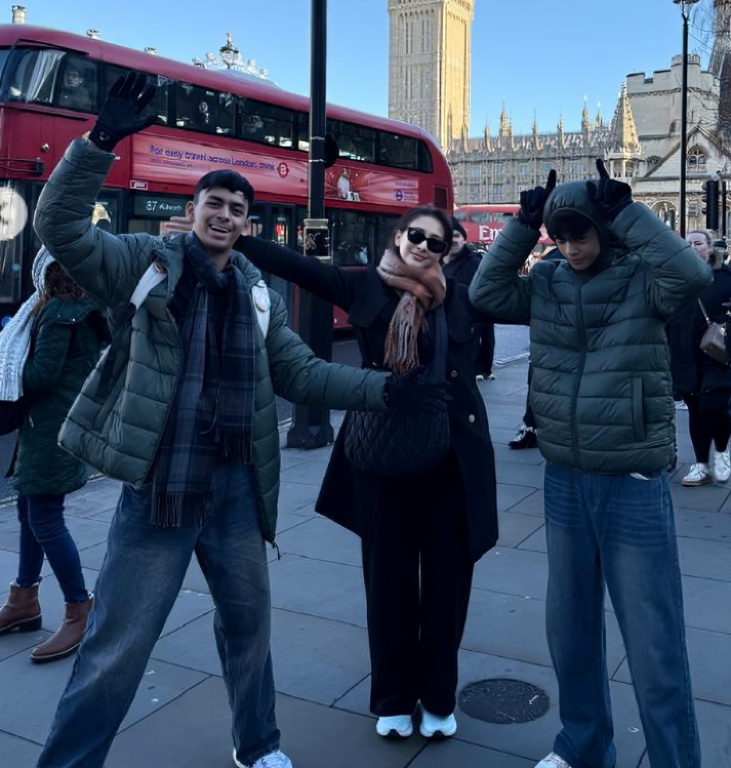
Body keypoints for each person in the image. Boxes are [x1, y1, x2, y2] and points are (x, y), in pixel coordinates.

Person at [31, 73, 439, 768]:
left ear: (247, 222)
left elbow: (301, 374)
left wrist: (385, 391)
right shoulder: (143, 264)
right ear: (192, 209)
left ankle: (258, 744)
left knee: (249, 630)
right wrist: (98, 142)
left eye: (236, 208)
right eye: (213, 203)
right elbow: (59, 228)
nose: (224, 215)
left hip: (235, 492)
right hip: (159, 491)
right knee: (116, 648)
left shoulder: (256, 293)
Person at [469, 161, 709, 768]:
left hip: (631, 481)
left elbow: (692, 274)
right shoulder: (547, 281)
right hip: (565, 478)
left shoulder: (644, 280)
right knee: (570, 628)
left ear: (603, 230)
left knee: (653, 642)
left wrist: (627, 212)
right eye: (561, 236)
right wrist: (522, 227)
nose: (572, 248)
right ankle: (582, 744)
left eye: (581, 234)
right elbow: (485, 294)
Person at [234, 204, 500, 743]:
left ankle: (439, 697)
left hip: (451, 457)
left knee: (447, 583)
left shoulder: (463, 294)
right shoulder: (365, 286)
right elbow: (297, 267)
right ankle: (394, 698)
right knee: (387, 581)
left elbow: (511, 284)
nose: (423, 246)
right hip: (384, 454)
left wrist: (524, 228)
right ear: (398, 237)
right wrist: (238, 237)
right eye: (415, 235)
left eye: (436, 241)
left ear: (447, 249)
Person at [0, 250, 108, 662]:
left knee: (44, 517)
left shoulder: (61, 310)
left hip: (50, 429)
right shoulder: (79, 305)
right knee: (30, 510)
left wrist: (8, 366)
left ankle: (79, 608)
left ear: (46, 271)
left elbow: (41, 375)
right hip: (53, 425)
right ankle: (24, 600)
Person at [667, 228, 731, 486]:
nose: (692, 247)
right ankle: (701, 464)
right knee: (695, 409)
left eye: (698, 242)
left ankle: (723, 451)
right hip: (684, 351)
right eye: (688, 243)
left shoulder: (724, 277)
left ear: (709, 247)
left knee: (712, 405)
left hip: (716, 352)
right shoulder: (676, 278)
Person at [509, 246, 563, 450]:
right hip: (548, 337)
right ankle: (531, 426)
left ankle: (533, 427)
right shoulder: (552, 259)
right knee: (537, 384)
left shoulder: (552, 259)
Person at [442, 217, 495, 380]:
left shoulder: (474, 261)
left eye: (457, 235)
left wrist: (483, 367)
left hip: (472, 316)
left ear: (463, 239)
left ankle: (481, 369)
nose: (453, 240)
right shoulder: (442, 263)